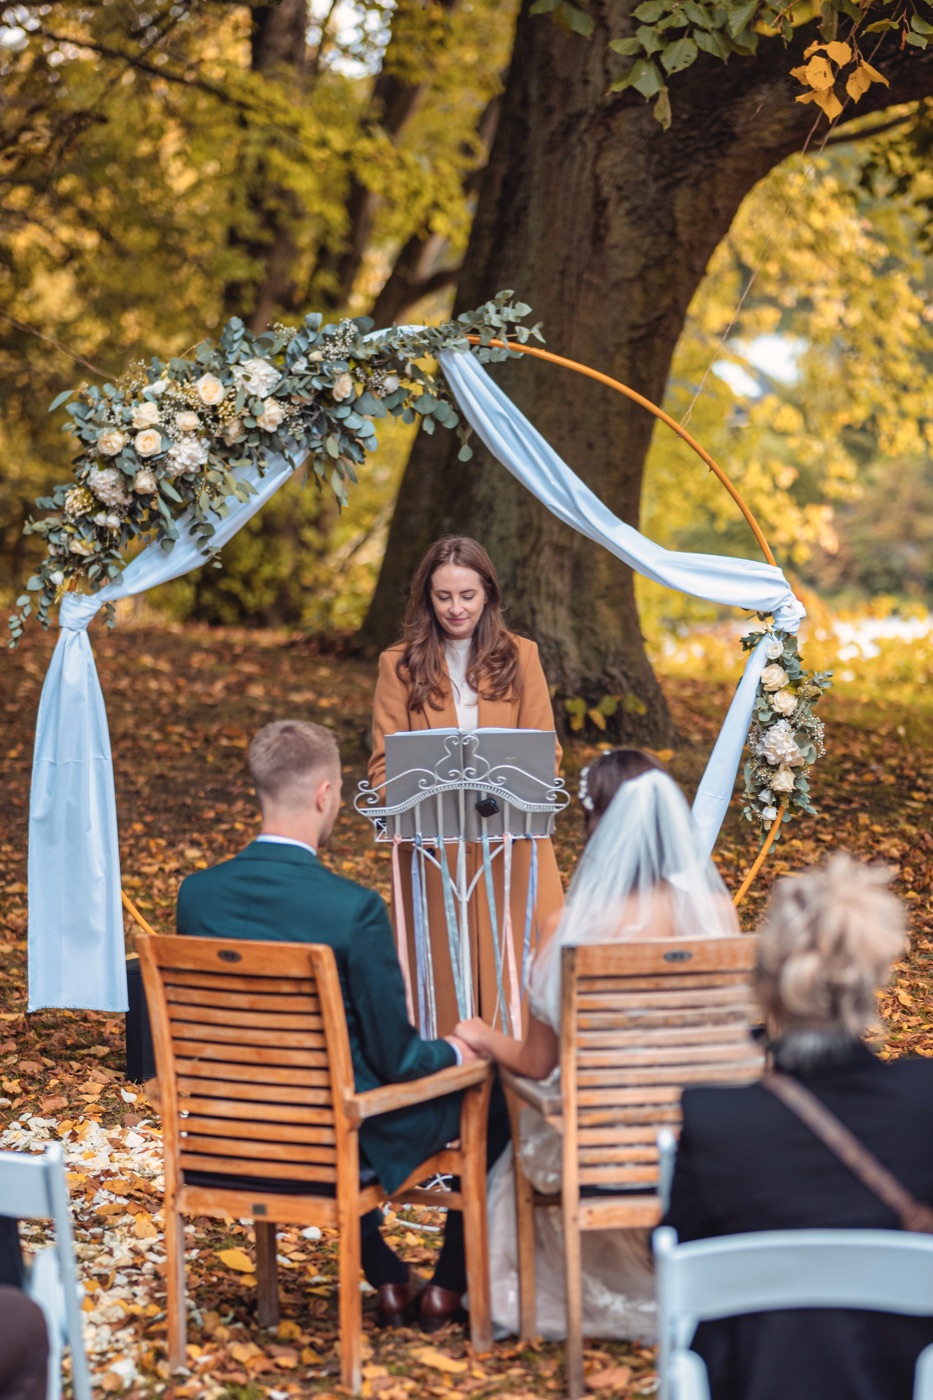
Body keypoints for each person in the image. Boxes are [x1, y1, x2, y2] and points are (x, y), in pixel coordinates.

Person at [177, 719, 510, 1332]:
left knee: (329, 1092)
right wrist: (460, 1052)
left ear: (261, 788)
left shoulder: (197, 897)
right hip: (330, 1137)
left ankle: (386, 1274)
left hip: (226, 1132)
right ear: (326, 794)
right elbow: (399, 1062)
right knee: (495, 1096)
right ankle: (446, 1290)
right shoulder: (352, 910)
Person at [454, 749, 740, 1339]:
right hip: (698, 1139)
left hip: (596, 1146)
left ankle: (460, 1283)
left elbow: (535, 1062)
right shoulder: (715, 913)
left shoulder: (568, 926)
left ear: (594, 824)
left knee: (504, 1101)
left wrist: (481, 1033)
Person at [664, 854, 933, 1400]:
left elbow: (677, 1257)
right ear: (873, 980)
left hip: (749, 1378)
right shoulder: (923, 1101)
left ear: (767, 983)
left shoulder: (713, 1119)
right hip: (898, 1378)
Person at [369, 535, 564, 1037]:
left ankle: (518, 1093)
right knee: (444, 992)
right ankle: (450, 1089)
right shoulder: (399, 665)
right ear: (426, 599)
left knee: (521, 985)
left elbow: (548, 754)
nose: (456, 608)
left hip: (513, 843)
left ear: (489, 596)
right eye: (444, 596)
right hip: (435, 850)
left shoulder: (521, 656)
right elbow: (383, 770)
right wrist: (415, 815)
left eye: (468, 596)